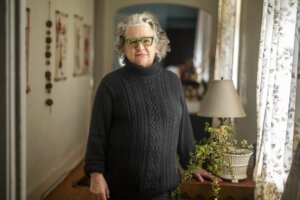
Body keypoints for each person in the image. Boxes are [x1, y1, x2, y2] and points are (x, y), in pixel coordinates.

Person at [84, 12, 214, 200]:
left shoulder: (173, 81)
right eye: (132, 42)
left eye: (146, 40)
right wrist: (96, 174)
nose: (140, 47)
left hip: (165, 191)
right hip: (120, 191)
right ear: (124, 47)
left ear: (157, 44)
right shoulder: (110, 84)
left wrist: (193, 164)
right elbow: (98, 135)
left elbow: (184, 131)